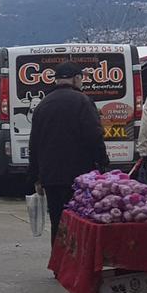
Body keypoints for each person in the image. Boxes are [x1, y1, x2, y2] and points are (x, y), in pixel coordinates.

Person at [27, 61, 109, 244]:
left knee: (57, 220)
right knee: (79, 219)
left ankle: (59, 265)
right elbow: (94, 135)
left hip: (51, 175)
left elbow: (34, 143)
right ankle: (76, 264)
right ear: (77, 78)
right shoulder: (83, 101)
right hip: (79, 175)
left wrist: (35, 175)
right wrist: (102, 163)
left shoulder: (42, 105)